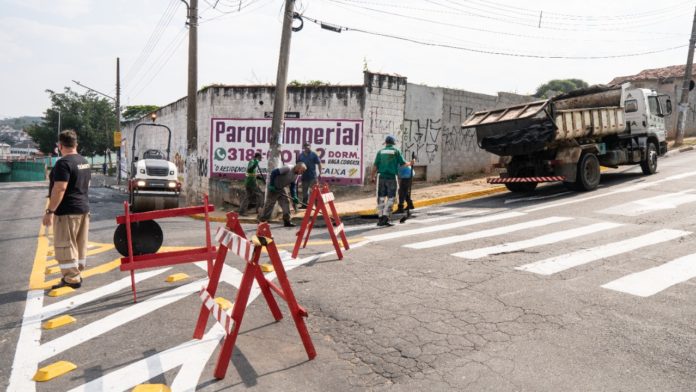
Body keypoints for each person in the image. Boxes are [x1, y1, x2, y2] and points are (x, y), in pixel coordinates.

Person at [43, 130, 92, 290]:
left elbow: (60, 189)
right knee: (79, 244)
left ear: (60, 146)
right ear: (76, 144)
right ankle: (76, 272)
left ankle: (72, 278)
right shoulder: (83, 161)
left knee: (65, 244)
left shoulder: (63, 163)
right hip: (83, 209)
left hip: (67, 211)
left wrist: (50, 212)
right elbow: (87, 185)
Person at [371, 135, 411, 226]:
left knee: (380, 198)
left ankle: (380, 218)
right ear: (393, 143)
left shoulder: (380, 152)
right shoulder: (396, 151)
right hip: (392, 177)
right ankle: (385, 216)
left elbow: (375, 166)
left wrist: (372, 177)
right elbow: (403, 164)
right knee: (391, 197)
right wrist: (411, 163)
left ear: (386, 143)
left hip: (381, 177)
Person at [258, 162, 307, 227]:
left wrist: (294, 196)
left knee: (286, 203)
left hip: (281, 188)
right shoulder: (288, 168)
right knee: (270, 204)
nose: (302, 173)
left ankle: (287, 221)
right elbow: (274, 173)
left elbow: (292, 187)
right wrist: (272, 185)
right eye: (302, 171)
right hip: (273, 187)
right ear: (298, 167)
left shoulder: (296, 175)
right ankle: (262, 221)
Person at [296, 142, 322, 207]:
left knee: (315, 191)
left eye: (308, 146)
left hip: (313, 176)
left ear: (310, 146)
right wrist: (297, 173)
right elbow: (298, 164)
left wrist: (320, 173)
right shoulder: (301, 155)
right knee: (305, 192)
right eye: (306, 146)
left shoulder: (314, 154)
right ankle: (305, 205)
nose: (307, 147)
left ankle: (318, 205)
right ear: (303, 148)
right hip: (304, 176)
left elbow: (319, 164)